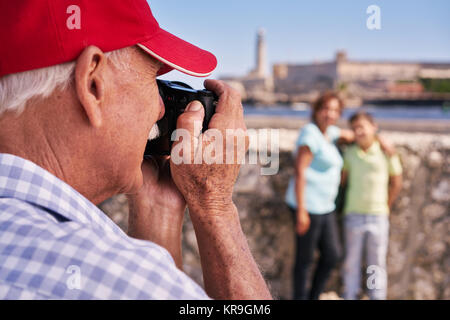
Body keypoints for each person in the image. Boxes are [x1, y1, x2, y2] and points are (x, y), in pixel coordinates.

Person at [0, 0, 271, 300]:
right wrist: (215, 206)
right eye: (153, 79)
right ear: (92, 84)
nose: (159, 107)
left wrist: (158, 209)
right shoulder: (115, 279)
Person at [285, 92, 354, 300]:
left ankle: (313, 296)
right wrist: (302, 212)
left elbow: (350, 135)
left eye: (335, 110)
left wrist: (378, 139)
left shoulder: (329, 133)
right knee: (304, 260)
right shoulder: (310, 133)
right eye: (326, 109)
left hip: (326, 207)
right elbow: (300, 172)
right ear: (316, 111)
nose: (330, 114)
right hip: (308, 206)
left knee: (333, 255)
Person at [341, 112, 402, 300]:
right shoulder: (350, 153)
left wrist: (387, 204)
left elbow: (396, 181)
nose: (359, 131)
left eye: (363, 126)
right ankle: (349, 295)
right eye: (355, 128)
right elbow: (344, 181)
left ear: (374, 127)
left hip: (378, 215)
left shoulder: (386, 152)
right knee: (351, 262)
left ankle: (376, 296)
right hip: (353, 215)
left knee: (376, 264)